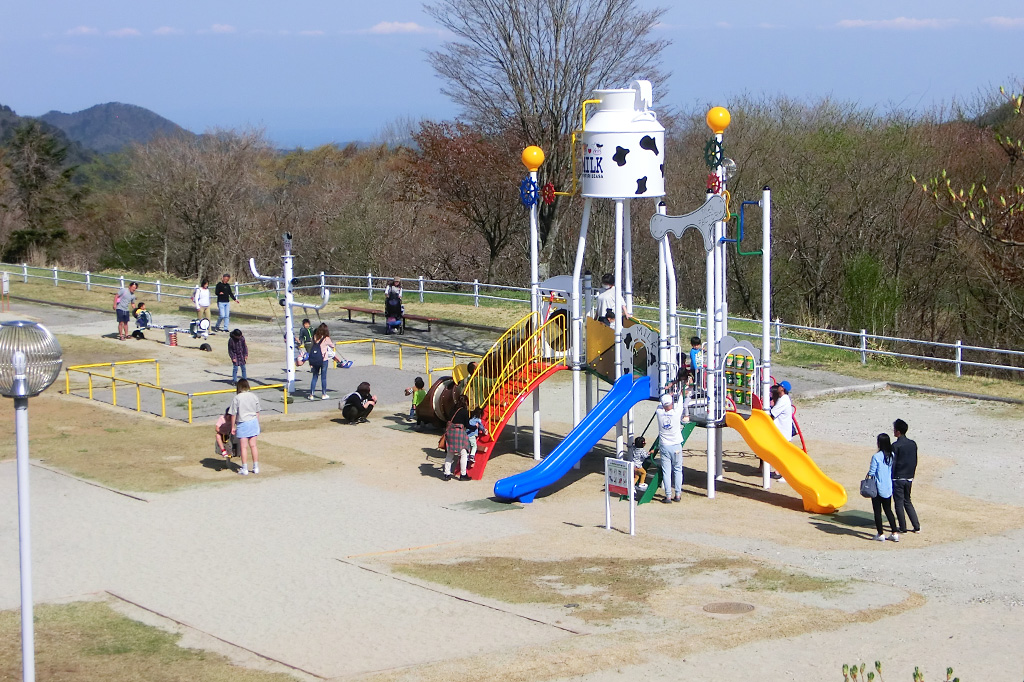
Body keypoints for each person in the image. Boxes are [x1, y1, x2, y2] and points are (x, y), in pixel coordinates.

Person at [867, 432, 900, 542]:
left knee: (877, 511)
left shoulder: (876, 457)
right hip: (888, 486)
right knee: (888, 510)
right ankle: (894, 532)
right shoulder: (892, 455)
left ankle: (880, 533)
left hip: (877, 487)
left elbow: (872, 472)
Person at [892, 418, 921, 534]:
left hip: (898, 477)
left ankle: (902, 527)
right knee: (907, 501)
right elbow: (914, 460)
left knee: (898, 503)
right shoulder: (912, 444)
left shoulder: (896, 445)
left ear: (898, 431)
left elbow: (893, 463)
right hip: (909, 477)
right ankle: (916, 526)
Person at [656, 393, 687, 503]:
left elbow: (660, 404)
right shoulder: (675, 413)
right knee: (678, 469)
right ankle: (678, 494)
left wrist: (667, 395)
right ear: (671, 403)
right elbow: (681, 403)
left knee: (666, 471)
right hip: (676, 445)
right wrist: (679, 395)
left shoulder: (659, 413)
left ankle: (668, 496)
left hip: (665, 445)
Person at [229, 379, 261, 475]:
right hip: (253, 422)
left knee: (243, 447)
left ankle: (245, 468)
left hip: (243, 423)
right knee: (253, 445)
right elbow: (257, 411)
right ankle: (256, 467)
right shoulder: (254, 396)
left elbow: (233, 414)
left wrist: (232, 426)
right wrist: (257, 423)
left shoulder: (237, 398)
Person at [767, 381, 794, 480]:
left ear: (782, 389)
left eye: (779, 386)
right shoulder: (783, 399)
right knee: (779, 453)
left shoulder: (784, 400)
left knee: (782, 454)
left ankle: (785, 474)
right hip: (782, 431)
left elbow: (772, 413)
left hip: (783, 432)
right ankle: (779, 471)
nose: (777, 387)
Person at [443, 394, 472, 481]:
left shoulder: (452, 410)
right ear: (465, 402)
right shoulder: (464, 411)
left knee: (450, 454)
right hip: (459, 434)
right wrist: (475, 427)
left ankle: (447, 474)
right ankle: (463, 474)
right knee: (463, 453)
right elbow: (467, 425)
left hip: (450, 433)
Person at [307, 323, 336, 400]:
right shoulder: (326, 338)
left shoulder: (314, 337)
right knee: (323, 378)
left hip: (315, 359)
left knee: (314, 377)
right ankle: (324, 394)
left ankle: (311, 395)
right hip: (323, 360)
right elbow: (332, 345)